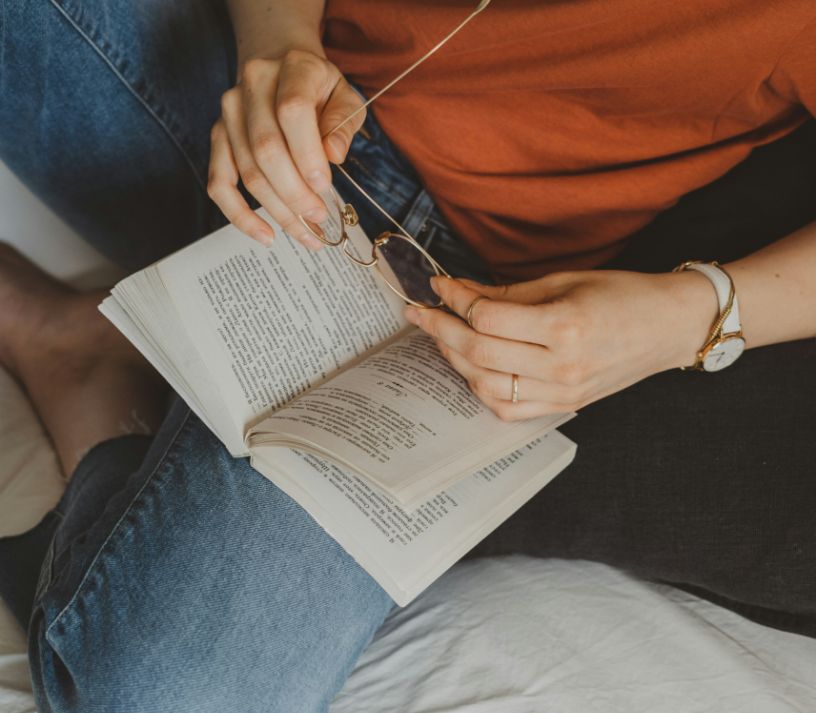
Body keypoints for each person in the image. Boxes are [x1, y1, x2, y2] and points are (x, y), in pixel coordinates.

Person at [0, 1, 814, 711]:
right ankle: (141, 358)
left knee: (163, 697)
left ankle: (95, 368)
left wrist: (698, 314)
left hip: (470, 287)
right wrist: (276, 44)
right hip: (277, 87)